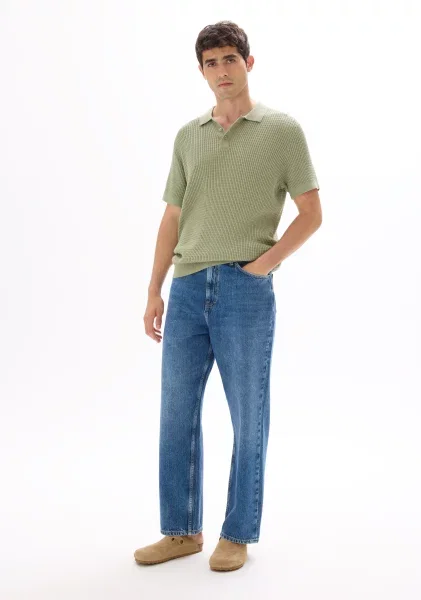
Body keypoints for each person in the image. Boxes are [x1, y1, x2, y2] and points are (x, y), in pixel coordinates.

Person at [134, 20, 322, 572]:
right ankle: (181, 531)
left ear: (248, 63)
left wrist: (261, 266)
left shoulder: (282, 130)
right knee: (176, 413)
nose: (221, 71)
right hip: (187, 287)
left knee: (248, 415)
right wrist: (154, 289)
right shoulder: (188, 135)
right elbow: (172, 217)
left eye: (229, 60)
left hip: (244, 289)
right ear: (201, 71)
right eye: (211, 63)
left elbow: (311, 213)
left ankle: (236, 533)